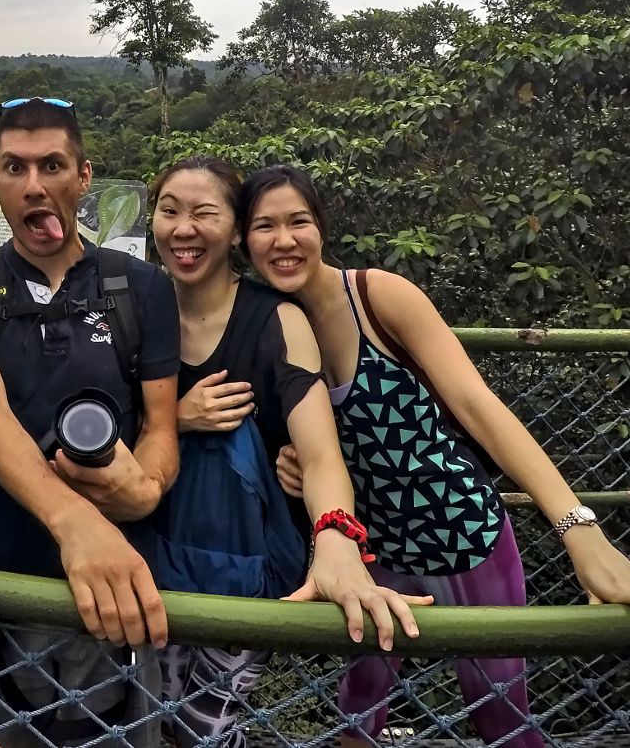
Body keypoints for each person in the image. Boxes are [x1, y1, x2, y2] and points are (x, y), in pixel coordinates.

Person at [237, 163, 630, 748]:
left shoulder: (376, 295)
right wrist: (289, 462)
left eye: (298, 222)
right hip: (372, 548)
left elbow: (478, 406)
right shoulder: (268, 321)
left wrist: (579, 530)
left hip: (462, 533)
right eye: (265, 226)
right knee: (356, 714)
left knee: (500, 714)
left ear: (323, 228)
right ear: (243, 238)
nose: (283, 241)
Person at [0, 97, 181, 747]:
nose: (34, 184)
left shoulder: (141, 286)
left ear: (84, 177)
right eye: (15, 167)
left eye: (52, 165)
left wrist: (143, 488)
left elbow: (160, 427)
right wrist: (77, 523)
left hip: (118, 586)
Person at [148, 156, 431, 748]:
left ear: (234, 230)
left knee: (208, 723)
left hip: (247, 565)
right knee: (155, 717)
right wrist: (178, 420)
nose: (183, 228)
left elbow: (321, 452)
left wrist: (334, 537)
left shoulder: (277, 320)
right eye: (169, 211)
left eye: (205, 213)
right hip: (151, 556)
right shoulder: (140, 310)